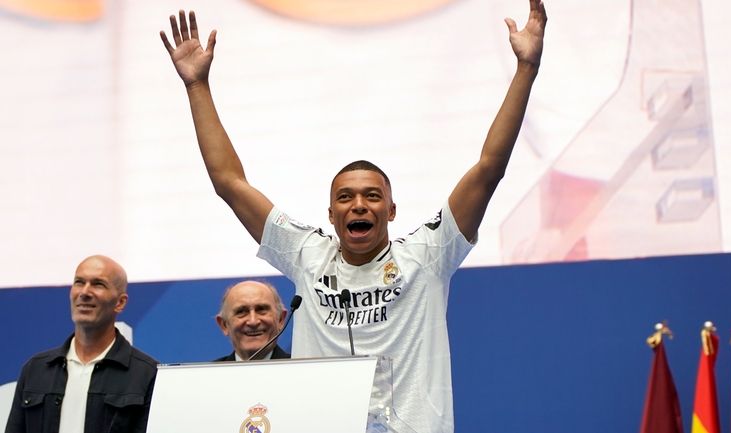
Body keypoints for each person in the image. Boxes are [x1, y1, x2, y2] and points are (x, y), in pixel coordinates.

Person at [160, 1, 545, 431]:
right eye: (345, 197)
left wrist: (525, 69)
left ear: (392, 209)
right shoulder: (306, 254)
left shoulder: (428, 255)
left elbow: (489, 167)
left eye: (372, 196)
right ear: (330, 212)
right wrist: (197, 85)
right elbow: (230, 183)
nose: (358, 205)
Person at [4, 255, 158, 433]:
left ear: (120, 302)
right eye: (79, 282)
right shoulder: (35, 370)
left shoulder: (146, 375)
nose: (84, 292)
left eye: (98, 284)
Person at [212, 280, 290, 361]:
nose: (253, 322)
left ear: (280, 319)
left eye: (261, 309)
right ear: (224, 325)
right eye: (241, 311)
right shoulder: (207, 373)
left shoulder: (301, 370)